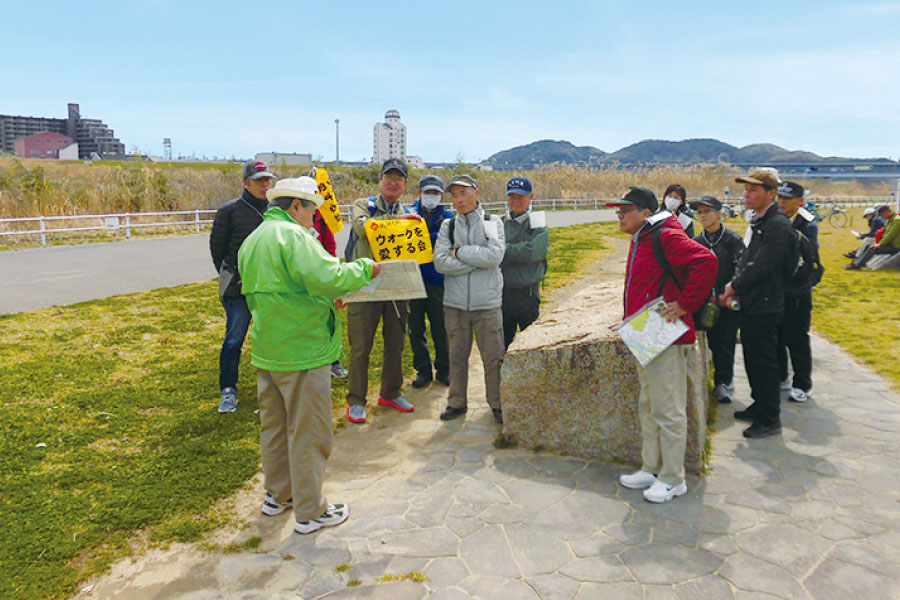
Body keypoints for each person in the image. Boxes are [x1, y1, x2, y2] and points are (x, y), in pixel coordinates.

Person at [237, 177, 379, 534]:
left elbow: (287, 287)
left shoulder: (254, 239)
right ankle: (311, 511)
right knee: (308, 432)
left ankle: (278, 495)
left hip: (269, 349)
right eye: (312, 211)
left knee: (274, 429)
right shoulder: (295, 237)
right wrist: (365, 268)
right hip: (302, 350)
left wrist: (324, 297)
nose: (314, 218)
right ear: (296, 206)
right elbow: (329, 275)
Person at [611, 186, 717, 503]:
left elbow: (706, 261)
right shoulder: (642, 236)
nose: (619, 215)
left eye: (626, 210)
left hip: (665, 335)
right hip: (647, 331)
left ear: (645, 212)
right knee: (649, 404)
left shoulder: (664, 235)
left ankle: (673, 478)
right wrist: (629, 320)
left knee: (668, 409)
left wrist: (685, 304)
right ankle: (651, 467)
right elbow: (646, 285)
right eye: (618, 210)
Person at [720, 169, 797, 439]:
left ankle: (769, 418)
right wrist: (737, 285)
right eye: (746, 189)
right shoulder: (760, 220)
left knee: (764, 362)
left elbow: (763, 265)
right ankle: (760, 404)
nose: (747, 194)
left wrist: (733, 287)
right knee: (753, 360)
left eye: (753, 190)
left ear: (771, 194)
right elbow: (747, 259)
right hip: (753, 301)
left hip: (766, 304)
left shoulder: (777, 225)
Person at [345, 158, 421, 423]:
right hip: (365, 286)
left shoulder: (410, 213)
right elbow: (363, 227)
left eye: (399, 178)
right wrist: (399, 221)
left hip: (396, 286)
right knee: (360, 347)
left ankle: (391, 392)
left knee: (395, 344)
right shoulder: (362, 205)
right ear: (380, 180)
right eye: (389, 177)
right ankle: (356, 400)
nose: (393, 182)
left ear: (405, 184)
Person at [433, 174, 506, 424]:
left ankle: (497, 403)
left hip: (487, 304)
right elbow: (441, 262)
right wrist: (475, 263)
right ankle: (456, 402)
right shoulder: (449, 225)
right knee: (456, 357)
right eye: (454, 195)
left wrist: (460, 252)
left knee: (493, 359)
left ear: (476, 193)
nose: (459, 200)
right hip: (455, 304)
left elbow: (494, 257)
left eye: (463, 193)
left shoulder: (492, 222)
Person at [209, 160, 275, 413]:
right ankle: (228, 389)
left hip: (269, 287)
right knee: (234, 339)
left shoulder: (275, 211)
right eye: (259, 180)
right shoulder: (229, 211)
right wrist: (233, 276)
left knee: (271, 337)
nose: (264, 185)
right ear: (245, 183)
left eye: (267, 180)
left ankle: (273, 386)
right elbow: (218, 250)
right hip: (238, 290)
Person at [690, 195, 744, 403]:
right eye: (700, 212)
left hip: (727, 301)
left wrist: (729, 293)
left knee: (726, 342)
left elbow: (741, 271)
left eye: (707, 211)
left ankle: (724, 383)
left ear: (720, 214)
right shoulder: (696, 242)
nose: (703, 216)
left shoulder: (733, 240)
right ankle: (708, 378)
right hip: (703, 303)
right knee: (708, 341)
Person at [775, 181, 821, 403]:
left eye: (788, 199)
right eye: (780, 198)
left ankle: (802, 384)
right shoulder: (773, 219)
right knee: (776, 335)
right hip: (776, 289)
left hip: (798, 291)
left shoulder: (807, 225)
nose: (782, 202)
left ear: (800, 201)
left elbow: (808, 255)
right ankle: (781, 376)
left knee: (797, 339)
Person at [408, 175, 454, 389]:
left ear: (441, 195)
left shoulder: (448, 216)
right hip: (412, 280)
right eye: (428, 192)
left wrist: (423, 236)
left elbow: (449, 239)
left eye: (435, 193)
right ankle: (423, 370)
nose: (431, 196)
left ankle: (444, 369)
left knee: (441, 328)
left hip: (439, 281)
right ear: (419, 193)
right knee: (415, 329)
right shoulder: (408, 213)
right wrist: (433, 237)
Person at [500, 176, 549, 348]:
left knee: (532, 345)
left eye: (521, 196)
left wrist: (505, 249)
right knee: (502, 345)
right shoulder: (500, 223)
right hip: (503, 294)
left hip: (527, 294)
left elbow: (534, 251)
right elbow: (492, 251)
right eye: (512, 197)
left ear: (530, 197)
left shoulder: (537, 222)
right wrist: (519, 248)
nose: (516, 201)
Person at [309, 205, 349, 379]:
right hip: (300, 279)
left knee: (328, 321)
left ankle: (333, 362)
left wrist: (333, 280)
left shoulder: (322, 218)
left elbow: (331, 249)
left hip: (322, 277)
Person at [846, 205, 899, 269]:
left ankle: (857, 265)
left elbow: (890, 235)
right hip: (890, 244)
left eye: (882, 215)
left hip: (895, 247)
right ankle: (858, 261)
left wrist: (879, 244)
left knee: (872, 248)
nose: (882, 217)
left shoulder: (897, 220)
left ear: (886, 213)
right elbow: (885, 233)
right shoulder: (890, 220)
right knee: (868, 246)